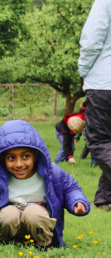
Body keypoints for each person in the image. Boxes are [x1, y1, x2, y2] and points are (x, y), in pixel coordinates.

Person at [0, 120, 90, 248]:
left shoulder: (52, 173)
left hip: (38, 226)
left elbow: (70, 189)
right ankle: (6, 242)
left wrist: (77, 202)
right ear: (2, 158)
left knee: (33, 212)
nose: (19, 164)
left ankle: (43, 244)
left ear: (35, 155)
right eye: (11, 158)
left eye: (25, 156)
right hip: (10, 228)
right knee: (8, 214)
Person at [78, 0, 111, 211]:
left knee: (98, 140)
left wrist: (83, 70)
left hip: (104, 82)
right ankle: (104, 200)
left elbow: (92, 40)